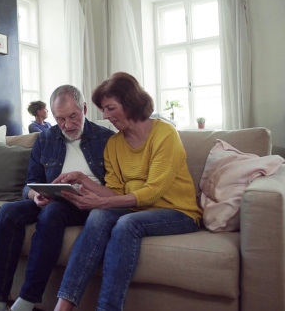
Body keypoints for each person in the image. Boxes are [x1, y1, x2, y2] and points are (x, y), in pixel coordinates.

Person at [53, 72, 203, 311]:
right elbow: (115, 192)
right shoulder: (114, 144)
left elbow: (153, 192)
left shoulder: (164, 134)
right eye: (103, 109)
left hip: (178, 212)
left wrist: (100, 203)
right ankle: (63, 305)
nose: (105, 116)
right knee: (99, 216)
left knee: (126, 224)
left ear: (131, 103)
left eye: (111, 108)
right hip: (138, 209)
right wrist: (83, 180)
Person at [0, 86, 114, 311]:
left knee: (52, 213)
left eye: (73, 116)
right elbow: (29, 183)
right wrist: (36, 195)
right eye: (60, 119)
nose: (68, 125)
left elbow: (114, 187)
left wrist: (89, 190)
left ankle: (26, 300)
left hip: (85, 203)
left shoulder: (106, 138)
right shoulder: (45, 139)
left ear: (84, 108)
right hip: (53, 199)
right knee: (8, 212)